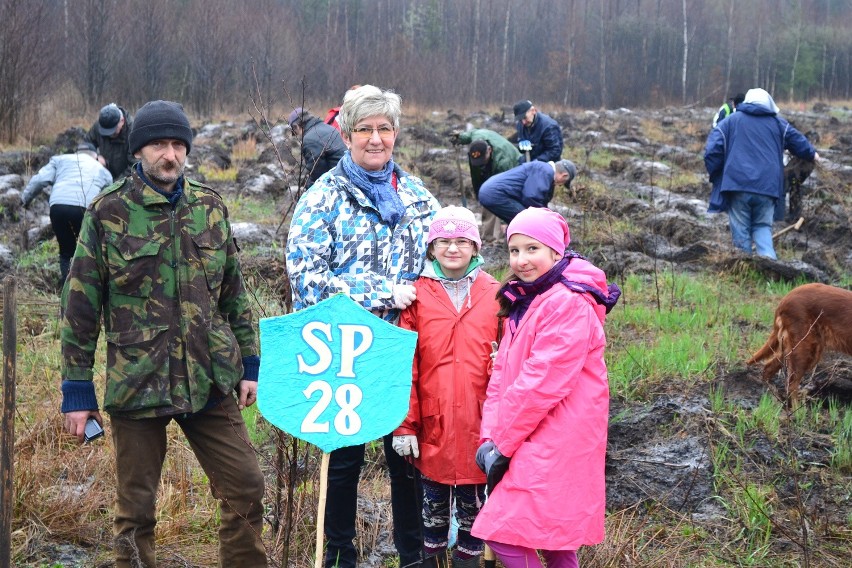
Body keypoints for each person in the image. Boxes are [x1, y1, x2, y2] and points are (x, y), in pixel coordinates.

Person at [60, 100, 267, 568]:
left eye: (177, 145)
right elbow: (80, 308)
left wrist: (250, 364)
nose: (169, 155)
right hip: (138, 381)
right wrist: (76, 389)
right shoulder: (107, 212)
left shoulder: (210, 207)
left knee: (246, 489)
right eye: (158, 145)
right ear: (138, 151)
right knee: (135, 512)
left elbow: (233, 294)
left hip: (209, 378)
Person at [286, 84, 440, 568]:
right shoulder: (324, 197)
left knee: (407, 460)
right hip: (344, 351)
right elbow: (305, 277)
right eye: (365, 130)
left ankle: (413, 557)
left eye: (385, 129)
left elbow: (444, 263)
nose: (376, 139)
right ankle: (338, 557)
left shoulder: (416, 196)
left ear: (396, 133)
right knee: (344, 462)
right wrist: (378, 292)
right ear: (347, 134)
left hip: (404, 352)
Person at [471, 207, 615, 568]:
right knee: (554, 539)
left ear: (556, 251)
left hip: (556, 435)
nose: (521, 260)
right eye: (514, 250)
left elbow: (540, 384)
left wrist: (501, 444)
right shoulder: (530, 299)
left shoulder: (566, 303)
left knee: (502, 533)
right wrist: (489, 437)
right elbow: (502, 375)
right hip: (531, 432)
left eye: (532, 249)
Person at [391, 206, 500, 568]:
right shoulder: (417, 297)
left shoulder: (496, 294)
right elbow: (406, 364)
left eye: (461, 241)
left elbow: (508, 366)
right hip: (432, 428)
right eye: (443, 242)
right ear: (431, 248)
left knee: (475, 515)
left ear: (475, 246)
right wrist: (405, 423)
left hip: (479, 429)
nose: (453, 249)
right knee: (432, 515)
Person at [704, 88, 818, 259]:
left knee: (741, 232)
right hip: (768, 188)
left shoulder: (730, 121)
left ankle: (745, 270)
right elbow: (799, 142)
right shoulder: (778, 124)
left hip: (737, 186)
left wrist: (718, 174)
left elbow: (711, 152)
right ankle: (770, 267)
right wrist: (813, 154)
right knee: (763, 228)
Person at [20, 142, 113, 287]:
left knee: (66, 252)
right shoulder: (102, 170)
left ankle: (66, 288)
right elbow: (108, 198)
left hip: (58, 206)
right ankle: (86, 287)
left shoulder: (60, 159)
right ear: (95, 156)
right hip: (85, 209)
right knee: (88, 250)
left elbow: (39, 180)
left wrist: (25, 199)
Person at [450, 129, 520, 243]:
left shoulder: (503, 162)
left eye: (482, 160)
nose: (480, 164)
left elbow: (506, 193)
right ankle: (488, 237)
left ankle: (501, 237)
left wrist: (503, 221)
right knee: (486, 196)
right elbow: (471, 134)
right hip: (493, 166)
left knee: (495, 197)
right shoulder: (477, 139)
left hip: (514, 167)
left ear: (489, 150)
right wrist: (461, 138)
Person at [478, 159, 576, 224]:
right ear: (564, 175)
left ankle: (515, 247)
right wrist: (546, 217)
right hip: (495, 193)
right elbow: (531, 197)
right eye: (564, 182)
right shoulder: (545, 171)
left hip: (488, 191)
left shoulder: (542, 168)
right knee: (527, 220)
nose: (561, 184)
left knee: (518, 220)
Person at [288, 107, 348, 184]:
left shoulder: (310, 139)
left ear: (296, 126)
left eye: (295, 133)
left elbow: (317, 174)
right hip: (348, 173)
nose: (298, 136)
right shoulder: (329, 128)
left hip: (339, 181)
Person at [85, 103, 136, 180]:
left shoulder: (133, 133)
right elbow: (86, 144)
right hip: (102, 176)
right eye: (105, 132)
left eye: (112, 131)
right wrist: (96, 157)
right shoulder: (101, 125)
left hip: (124, 181)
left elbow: (134, 167)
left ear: (122, 121)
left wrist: (113, 186)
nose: (109, 135)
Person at [512, 100, 563, 165]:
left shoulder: (549, 126)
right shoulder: (521, 124)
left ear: (533, 111)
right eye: (520, 119)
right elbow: (521, 145)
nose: (523, 122)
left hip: (548, 163)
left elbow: (555, 151)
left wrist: (538, 161)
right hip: (529, 159)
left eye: (525, 118)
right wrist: (520, 147)